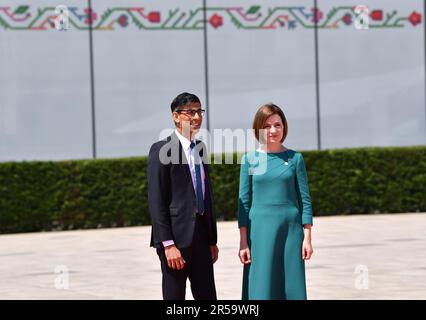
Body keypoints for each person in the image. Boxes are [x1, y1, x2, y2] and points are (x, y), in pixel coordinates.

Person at [238, 103, 314, 300]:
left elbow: (305, 200)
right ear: (258, 128)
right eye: (267, 125)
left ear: (284, 127)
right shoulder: (249, 159)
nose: (273, 130)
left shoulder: (296, 158)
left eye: (277, 125)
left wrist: (307, 238)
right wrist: (243, 242)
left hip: (290, 231)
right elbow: (244, 204)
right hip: (259, 231)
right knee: (261, 285)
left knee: (290, 285)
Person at [147, 92, 218, 300]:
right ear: (176, 116)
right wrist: (168, 244)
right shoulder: (161, 149)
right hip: (176, 240)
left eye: (199, 111)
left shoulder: (200, 148)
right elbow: (156, 199)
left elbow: (206, 196)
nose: (197, 117)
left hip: (202, 238)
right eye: (190, 112)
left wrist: (211, 240)